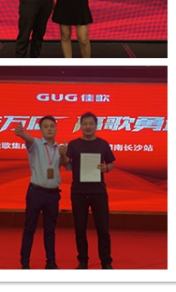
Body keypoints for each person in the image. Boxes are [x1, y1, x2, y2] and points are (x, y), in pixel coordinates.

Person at [59, 112, 115, 269]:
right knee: (80, 229)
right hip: (79, 192)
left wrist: (106, 168)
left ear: (96, 125)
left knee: (103, 229)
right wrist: (62, 155)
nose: (88, 126)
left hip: (99, 192)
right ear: (80, 126)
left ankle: (106, 262)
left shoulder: (103, 144)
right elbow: (65, 163)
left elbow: (111, 163)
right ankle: (83, 261)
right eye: (85, 124)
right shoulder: (74, 144)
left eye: (91, 124)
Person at [13, 116, 63, 270]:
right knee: (30, 228)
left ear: (56, 129)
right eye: (45, 126)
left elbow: (67, 165)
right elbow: (28, 139)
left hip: (53, 194)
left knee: (50, 230)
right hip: (36, 193)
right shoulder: (36, 144)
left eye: (52, 126)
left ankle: (51, 262)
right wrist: (22, 133)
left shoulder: (60, 149)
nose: (49, 129)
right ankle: (25, 262)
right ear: (40, 130)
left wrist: (65, 154)